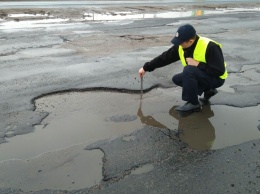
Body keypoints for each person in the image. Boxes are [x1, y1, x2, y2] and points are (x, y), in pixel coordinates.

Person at [138, 24, 228, 112]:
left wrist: (198, 64)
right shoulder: (182, 47)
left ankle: (193, 104)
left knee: (189, 71)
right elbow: (164, 58)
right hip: (203, 76)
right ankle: (209, 90)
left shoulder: (210, 47)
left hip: (217, 78)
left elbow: (219, 71)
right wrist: (146, 68)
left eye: (181, 42)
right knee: (177, 79)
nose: (179, 44)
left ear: (190, 41)